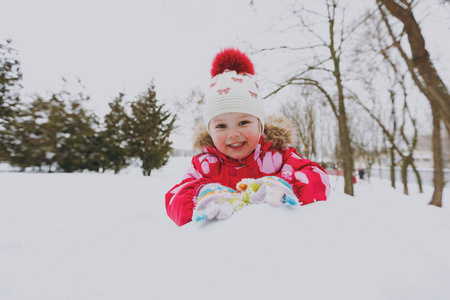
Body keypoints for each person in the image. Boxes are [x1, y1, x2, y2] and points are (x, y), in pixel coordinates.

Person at [165, 48, 331, 226]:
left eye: (243, 122)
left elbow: (319, 178)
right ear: (210, 131)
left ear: (260, 125)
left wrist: (284, 185)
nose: (233, 133)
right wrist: (201, 194)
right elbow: (174, 199)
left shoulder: (278, 157)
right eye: (221, 126)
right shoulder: (205, 166)